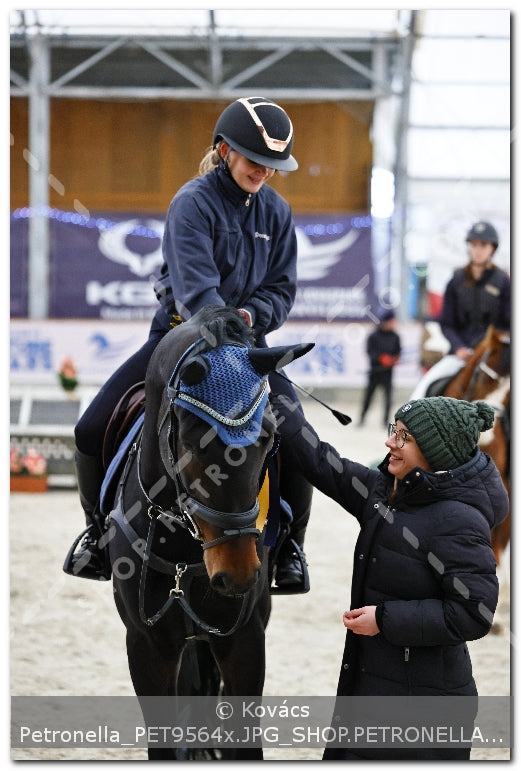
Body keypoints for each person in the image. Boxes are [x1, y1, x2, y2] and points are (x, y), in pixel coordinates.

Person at [67, 96, 313, 587]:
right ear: (224, 150)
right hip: (179, 340)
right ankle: (96, 536)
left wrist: (249, 317)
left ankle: (289, 548)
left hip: (249, 350)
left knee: (300, 440)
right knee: (90, 430)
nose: (263, 172)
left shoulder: (278, 213)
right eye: (254, 160)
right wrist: (226, 318)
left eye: (272, 165)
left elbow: (282, 290)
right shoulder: (191, 204)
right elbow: (198, 292)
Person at [269, 388, 508, 760]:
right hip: (371, 690)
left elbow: (473, 614)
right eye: (392, 430)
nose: (389, 442)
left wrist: (384, 619)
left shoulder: (459, 521)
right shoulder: (385, 491)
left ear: (434, 452)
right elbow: (318, 461)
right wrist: (274, 382)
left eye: (403, 437)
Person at [410, 220, 510, 399]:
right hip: (461, 355)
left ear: (492, 248)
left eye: (483, 245)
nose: (478, 250)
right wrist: (459, 347)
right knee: (422, 390)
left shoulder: (503, 281)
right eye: (474, 245)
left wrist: (494, 346)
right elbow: (446, 323)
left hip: (493, 357)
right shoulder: (456, 280)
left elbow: (509, 322)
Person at [358, 308, 401, 428]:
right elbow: (370, 352)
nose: (394, 323)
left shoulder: (396, 336)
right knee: (369, 396)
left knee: (388, 398)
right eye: (392, 321)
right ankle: (362, 418)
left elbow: (398, 352)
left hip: (388, 373)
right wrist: (381, 358)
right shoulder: (373, 336)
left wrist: (394, 359)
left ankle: (385, 421)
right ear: (385, 322)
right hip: (375, 372)